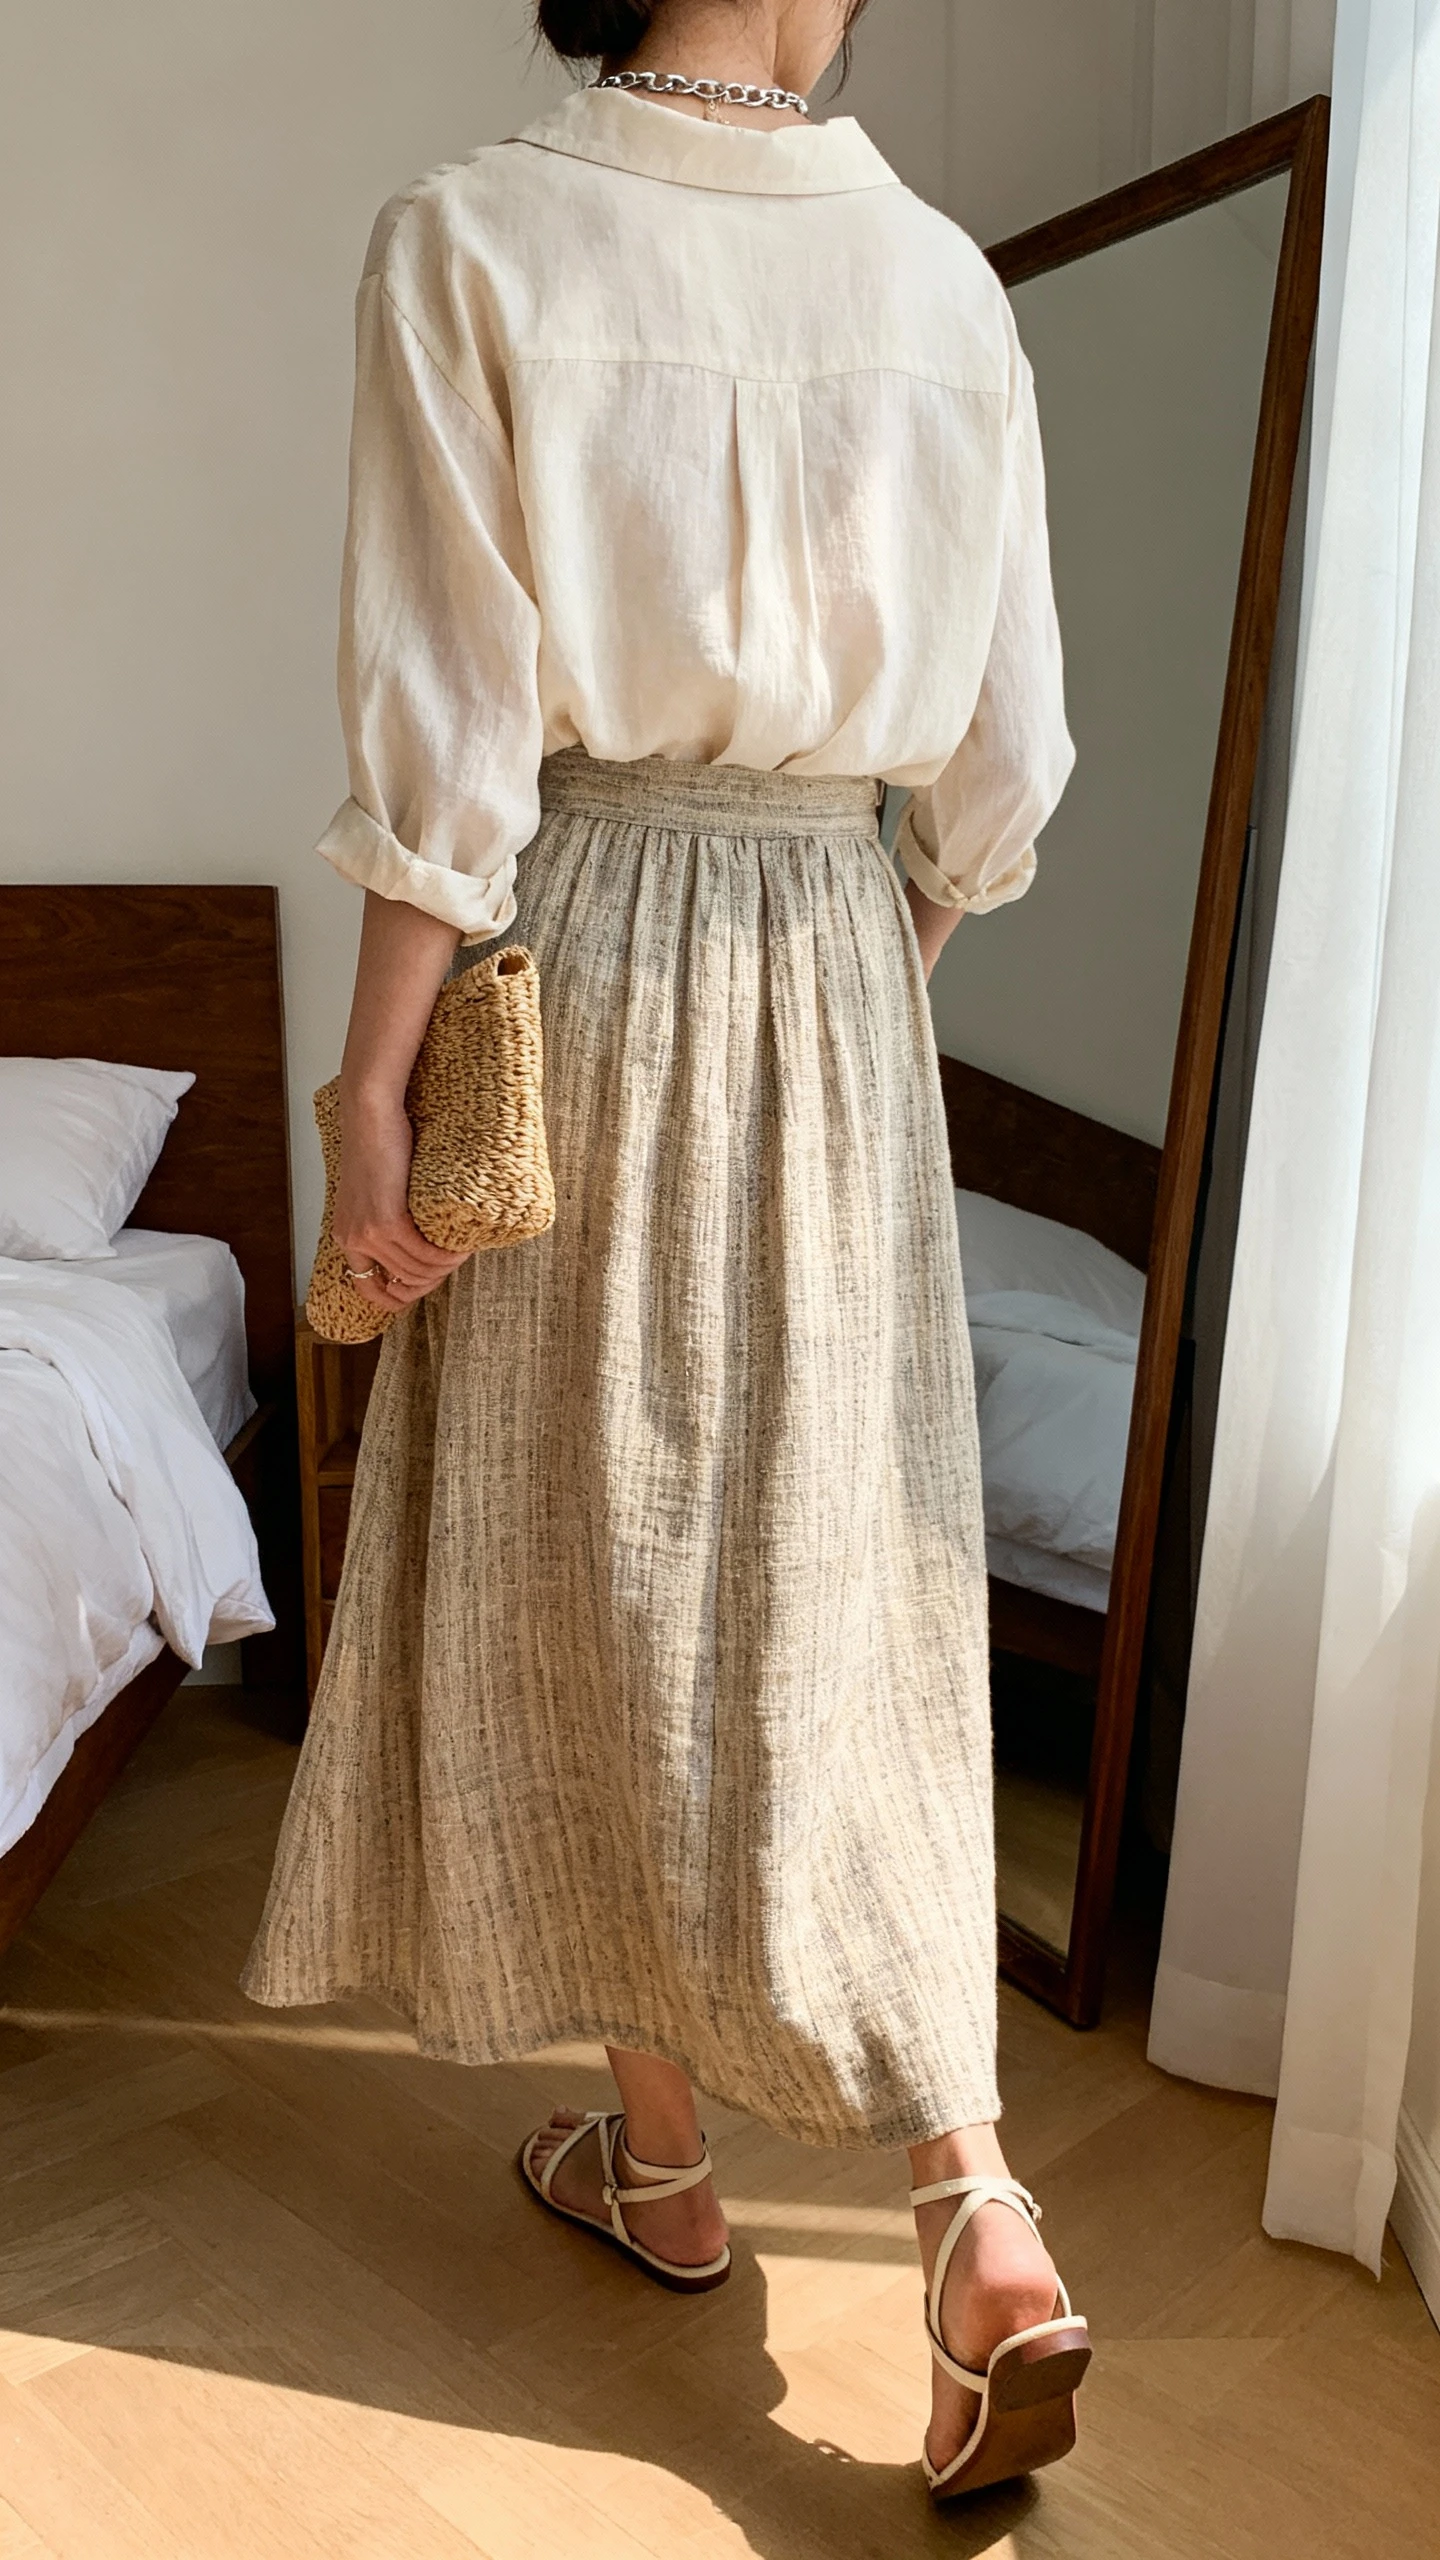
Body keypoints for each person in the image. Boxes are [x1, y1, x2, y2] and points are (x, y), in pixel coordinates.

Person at [243, 0, 1087, 2501]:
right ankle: (965, 2199)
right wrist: (850, 990)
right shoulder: (942, 280)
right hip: (841, 959)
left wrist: (375, 1082)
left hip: (580, 944)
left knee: (589, 1554)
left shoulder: (477, 233)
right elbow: (1004, 762)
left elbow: (452, 732)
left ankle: (679, 2160)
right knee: (860, 1578)